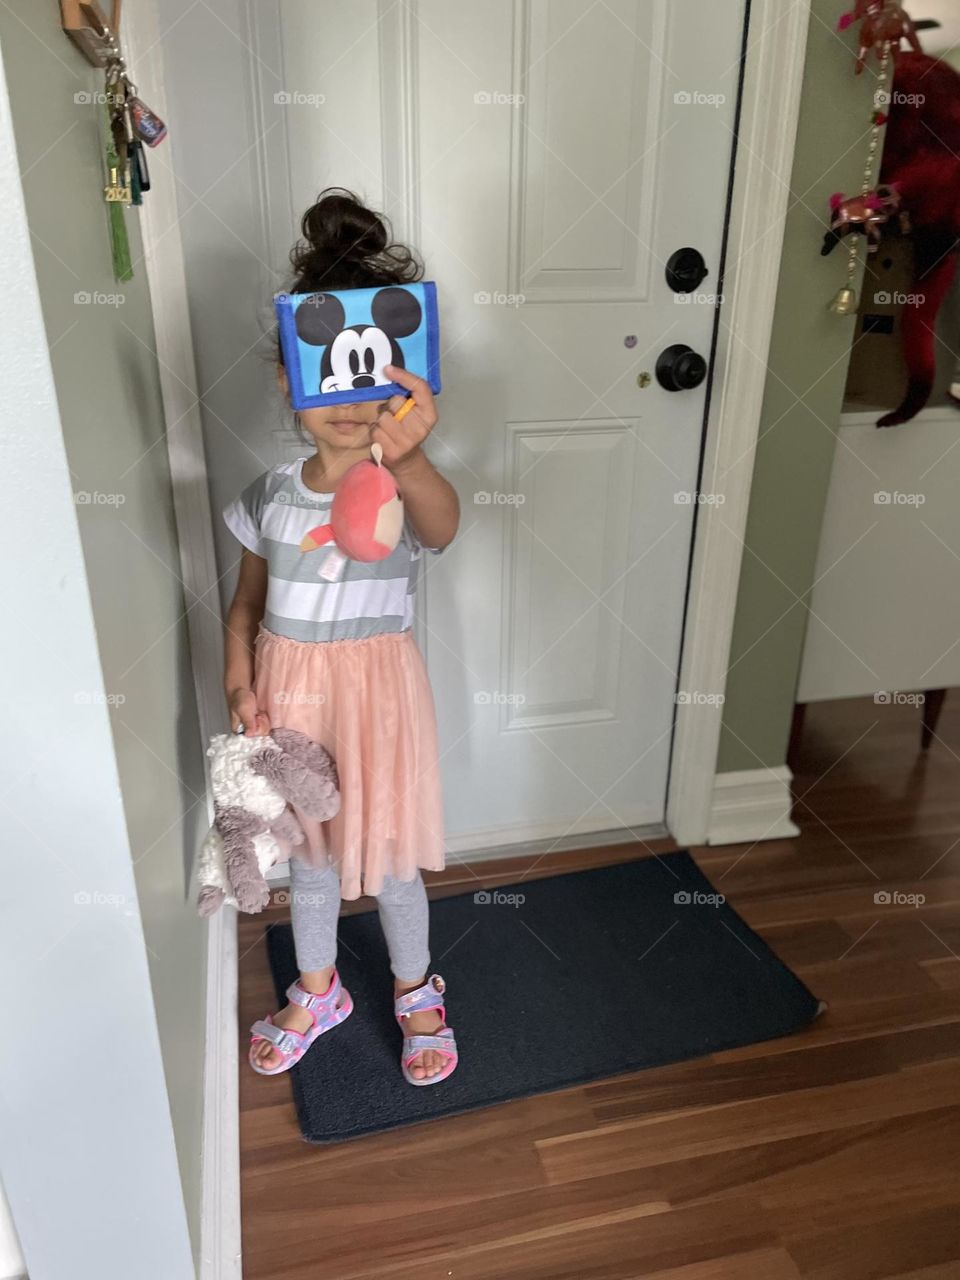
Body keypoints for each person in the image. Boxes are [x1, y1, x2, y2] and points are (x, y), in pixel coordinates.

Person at [222, 189, 460, 1085]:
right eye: (328, 380)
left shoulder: (399, 486)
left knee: (392, 854)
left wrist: (414, 458)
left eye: (377, 380)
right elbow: (244, 607)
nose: (353, 403)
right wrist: (241, 686)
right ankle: (320, 986)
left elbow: (442, 529)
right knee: (311, 858)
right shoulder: (268, 492)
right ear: (291, 376)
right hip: (292, 699)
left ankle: (414, 987)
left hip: (378, 696)